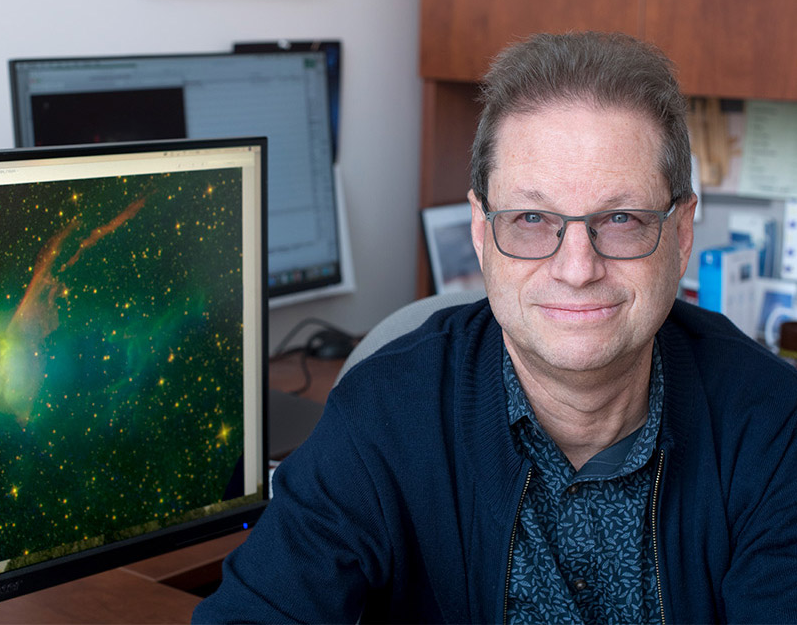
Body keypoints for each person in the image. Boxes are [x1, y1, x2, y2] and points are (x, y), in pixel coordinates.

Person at [193, 32, 797, 624]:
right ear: (481, 230)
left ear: (682, 232)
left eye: (621, 218)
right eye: (532, 218)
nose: (577, 269)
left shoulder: (774, 427)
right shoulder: (383, 416)